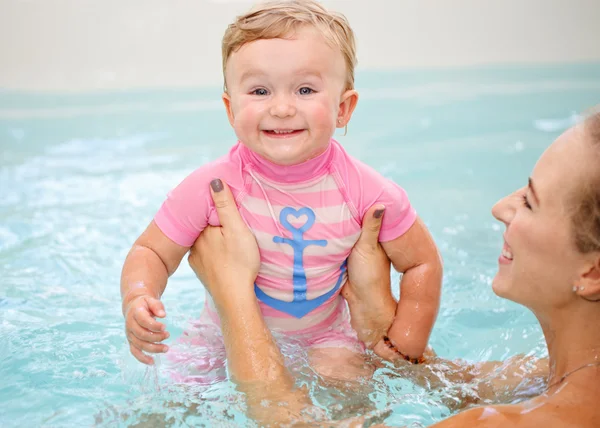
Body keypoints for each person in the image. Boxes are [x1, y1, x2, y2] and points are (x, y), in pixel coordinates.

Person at [187, 111, 600, 427]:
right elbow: (460, 384)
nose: (500, 208)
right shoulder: (545, 376)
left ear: (592, 273)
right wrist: (383, 328)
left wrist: (234, 297)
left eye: (529, 201)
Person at [120, 0, 442, 378]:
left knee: (349, 387)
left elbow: (422, 262)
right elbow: (151, 251)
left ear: (344, 108)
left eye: (305, 90)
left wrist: (406, 342)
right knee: (171, 398)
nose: (283, 107)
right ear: (230, 110)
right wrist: (138, 297)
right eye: (259, 91)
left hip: (328, 337)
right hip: (221, 335)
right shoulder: (211, 188)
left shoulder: (366, 192)